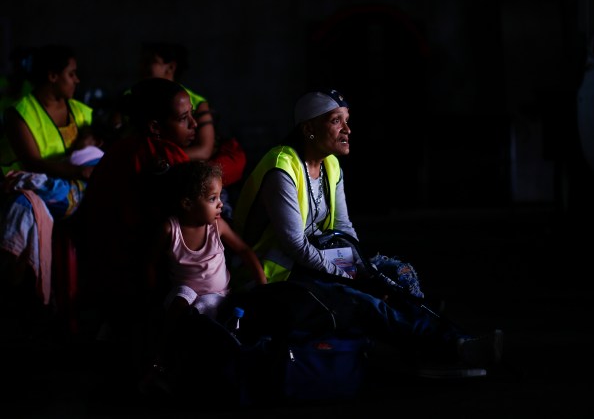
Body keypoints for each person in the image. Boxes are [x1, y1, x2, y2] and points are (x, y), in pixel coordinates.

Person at [231, 88, 504, 376]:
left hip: (316, 264)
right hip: (277, 274)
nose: (347, 129)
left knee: (397, 275)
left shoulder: (331, 164)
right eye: (336, 121)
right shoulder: (281, 167)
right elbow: (295, 245)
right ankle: (453, 350)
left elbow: (343, 227)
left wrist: (363, 270)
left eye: (347, 120)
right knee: (365, 300)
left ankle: (448, 344)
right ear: (309, 127)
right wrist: (350, 277)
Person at [77, 77, 227, 356]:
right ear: (156, 126)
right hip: (134, 273)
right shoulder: (164, 155)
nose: (194, 124)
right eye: (184, 119)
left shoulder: (116, 151)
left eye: (193, 115)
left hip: (98, 270)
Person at [140, 160, 266, 394]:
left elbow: (244, 251)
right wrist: (152, 295)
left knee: (206, 309)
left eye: (219, 197)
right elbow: (149, 262)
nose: (220, 204)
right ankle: (160, 360)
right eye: (212, 199)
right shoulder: (171, 229)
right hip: (183, 294)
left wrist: (262, 282)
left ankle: (189, 365)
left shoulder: (217, 226)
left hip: (217, 296)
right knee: (182, 298)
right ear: (187, 204)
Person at [0, 44, 92, 313]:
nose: (77, 80)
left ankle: (27, 295)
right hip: (37, 186)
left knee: (27, 207)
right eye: (71, 74)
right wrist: (79, 171)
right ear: (52, 76)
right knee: (25, 207)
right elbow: (32, 162)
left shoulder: (82, 112)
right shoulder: (20, 113)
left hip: (67, 188)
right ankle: (25, 297)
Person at [112, 42, 246, 220]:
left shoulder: (195, 101)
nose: (141, 67)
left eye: (149, 61)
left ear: (171, 67)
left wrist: (164, 160)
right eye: (141, 61)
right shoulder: (133, 98)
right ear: (154, 126)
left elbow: (204, 150)